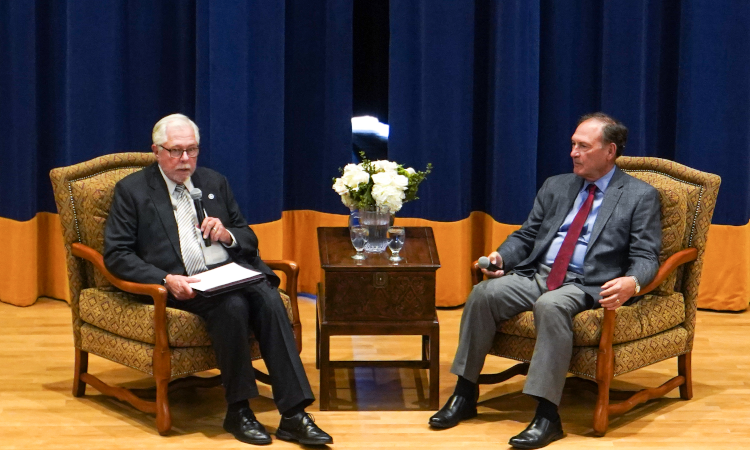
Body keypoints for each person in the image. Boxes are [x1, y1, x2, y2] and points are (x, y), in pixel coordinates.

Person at [428, 112, 661, 449]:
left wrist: (632, 283)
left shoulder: (639, 196)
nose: (573, 153)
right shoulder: (557, 185)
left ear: (610, 151)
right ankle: (465, 393)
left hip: (587, 283)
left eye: (583, 146)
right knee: (484, 294)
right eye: (572, 145)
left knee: (550, 306)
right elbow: (527, 235)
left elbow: (647, 256)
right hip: (539, 273)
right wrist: (501, 257)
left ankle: (547, 415)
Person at [104, 114, 333, 446]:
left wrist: (227, 236)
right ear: (156, 151)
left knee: (269, 297)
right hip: (182, 283)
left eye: (192, 150)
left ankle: (294, 415)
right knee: (233, 307)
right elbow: (117, 253)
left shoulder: (214, 182)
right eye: (176, 151)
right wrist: (166, 278)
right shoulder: (133, 190)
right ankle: (238, 410)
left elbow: (248, 237)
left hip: (228, 273)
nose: (185, 160)